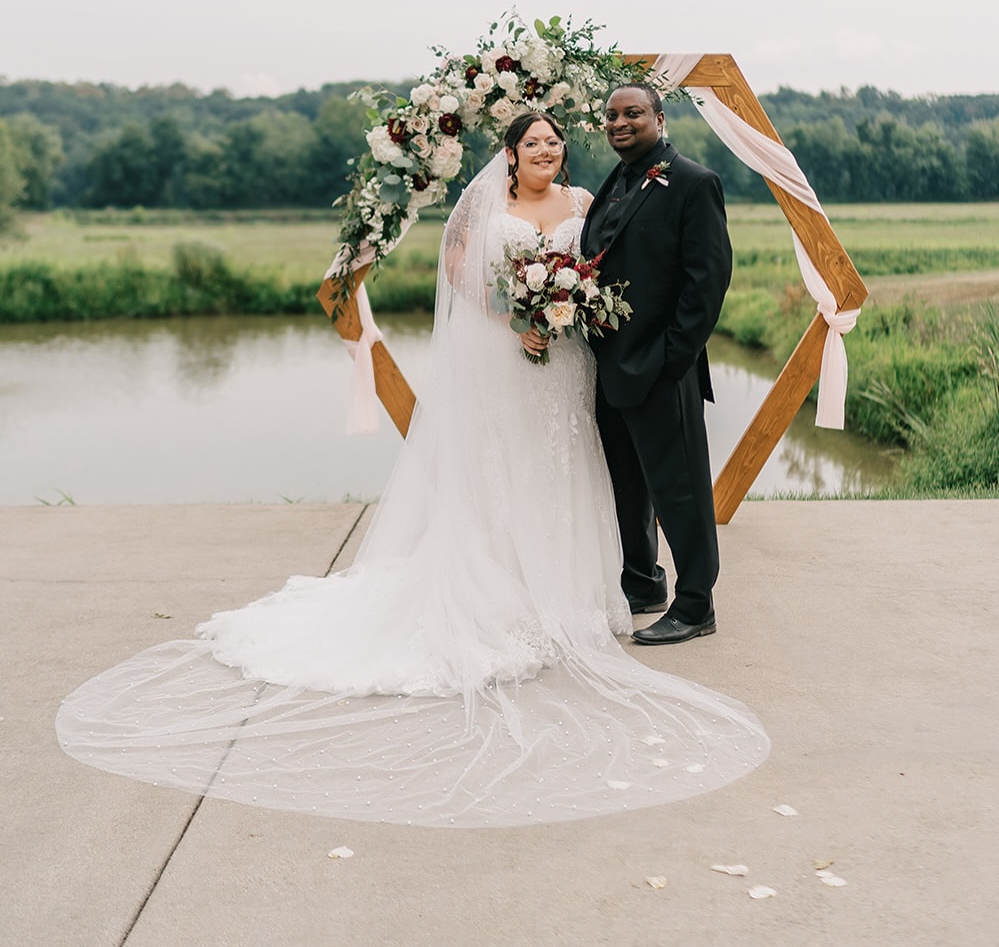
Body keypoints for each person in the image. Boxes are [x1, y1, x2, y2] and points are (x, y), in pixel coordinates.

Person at [56, 112, 767, 828]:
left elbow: (616, 267)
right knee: (507, 465)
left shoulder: (588, 201)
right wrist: (511, 314)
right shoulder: (488, 206)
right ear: (510, 154)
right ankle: (517, 584)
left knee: (570, 466)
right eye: (532, 143)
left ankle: (597, 583)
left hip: (571, 360)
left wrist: (566, 307)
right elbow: (460, 271)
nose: (547, 149)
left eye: (555, 140)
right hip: (511, 357)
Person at [582, 84, 732, 645]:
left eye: (633, 114)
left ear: (660, 118)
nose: (620, 123)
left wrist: (673, 360)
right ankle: (643, 582)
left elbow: (707, 282)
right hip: (611, 369)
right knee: (628, 486)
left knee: (681, 492)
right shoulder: (617, 181)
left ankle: (696, 605)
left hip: (662, 370)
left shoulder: (693, 183)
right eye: (612, 115)